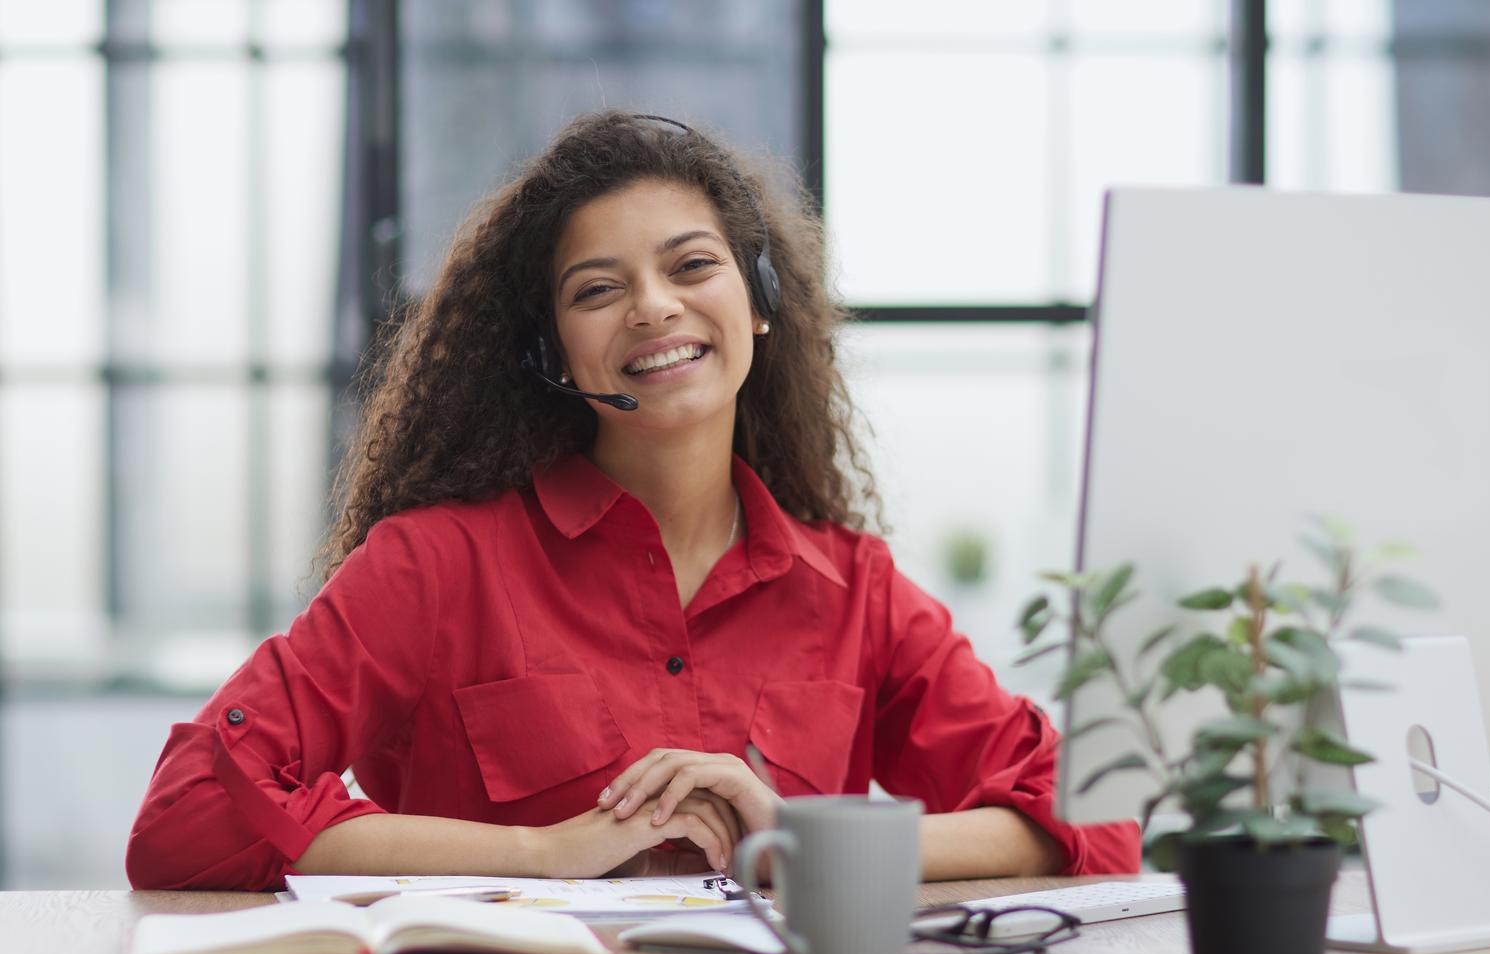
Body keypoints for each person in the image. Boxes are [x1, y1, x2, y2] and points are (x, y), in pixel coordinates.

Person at [125, 111, 1138, 891]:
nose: (655, 304)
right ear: (552, 355)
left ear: (763, 304)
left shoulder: (855, 588)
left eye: (692, 265)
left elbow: (1091, 818)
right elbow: (191, 813)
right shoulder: (434, 566)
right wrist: (542, 851)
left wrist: (800, 842)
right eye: (597, 289)